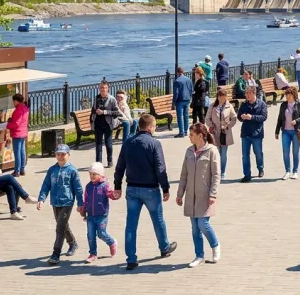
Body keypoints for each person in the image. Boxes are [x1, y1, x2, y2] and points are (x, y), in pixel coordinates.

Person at [113, 114, 177, 270]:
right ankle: (164, 247)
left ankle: (131, 258)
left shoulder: (128, 142)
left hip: (132, 189)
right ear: (149, 127)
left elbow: (120, 166)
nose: (154, 129)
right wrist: (166, 188)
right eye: (154, 127)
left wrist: (117, 186)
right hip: (150, 189)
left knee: (131, 224)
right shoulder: (154, 144)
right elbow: (160, 168)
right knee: (158, 219)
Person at [176, 123, 221, 268]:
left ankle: (215, 246)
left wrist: (213, 194)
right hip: (191, 195)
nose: (189, 137)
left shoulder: (212, 151)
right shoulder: (189, 151)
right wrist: (180, 193)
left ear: (200, 136)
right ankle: (199, 255)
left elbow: (216, 175)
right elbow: (184, 174)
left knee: (203, 224)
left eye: (192, 135)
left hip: (205, 195)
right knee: (195, 228)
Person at [38, 144, 85, 265]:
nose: (60, 157)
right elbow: (46, 185)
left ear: (68, 155)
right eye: (58, 154)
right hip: (55, 202)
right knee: (63, 226)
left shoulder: (72, 170)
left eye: (63, 154)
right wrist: (41, 199)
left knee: (59, 228)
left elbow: (78, 189)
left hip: (67, 202)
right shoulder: (52, 170)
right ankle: (73, 243)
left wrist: (80, 204)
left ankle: (56, 254)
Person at [80, 162, 117, 264]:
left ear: (100, 175)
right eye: (90, 174)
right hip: (90, 215)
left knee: (101, 233)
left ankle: (112, 242)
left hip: (102, 214)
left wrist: (114, 195)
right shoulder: (88, 186)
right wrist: (83, 209)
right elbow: (86, 199)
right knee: (90, 235)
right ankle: (93, 254)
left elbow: (110, 193)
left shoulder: (105, 185)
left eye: (94, 174)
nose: (92, 176)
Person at [275, 86, 300, 180]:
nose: (287, 96)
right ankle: (287, 171)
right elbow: (279, 118)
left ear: (293, 95)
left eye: (288, 94)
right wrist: (277, 131)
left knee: (295, 152)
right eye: (286, 95)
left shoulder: (299, 104)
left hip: (296, 132)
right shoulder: (283, 105)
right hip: (285, 131)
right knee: (285, 152)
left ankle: (295, 171)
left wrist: (297, 120)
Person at [238, 85, 268, 181]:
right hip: (245, 133)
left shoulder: (262, 104)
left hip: (257, 133)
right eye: (246, 93)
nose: (247, 95)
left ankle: (260, 168)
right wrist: (242, 117)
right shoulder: (244, 104)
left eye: (249, 93)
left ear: (254, 93)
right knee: (245, 155)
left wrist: (252, 117)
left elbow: (263, 117)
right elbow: (239, 117)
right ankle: (247, 175)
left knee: (258, 153)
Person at [206, 88, 237, 179]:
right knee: (216, 153)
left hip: (225, 133)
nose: (224, 98)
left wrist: (228, 126)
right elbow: (207, 118)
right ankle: (216, 171)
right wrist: (211, 125)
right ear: (218, 97)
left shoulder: (229, 106)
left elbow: (234, 118)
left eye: (225, 97)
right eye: (222, 96)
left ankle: (223, 171)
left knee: (223, 153)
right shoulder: (212, 106)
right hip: (215, 133)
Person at [91, 81, 120, 168]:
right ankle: (98, 163)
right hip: (98, 124)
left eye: (104, 88)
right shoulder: (96, 98)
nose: (103, 90)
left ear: (108, 89)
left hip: (108, 124)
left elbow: (116, 112)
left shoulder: (112, 99)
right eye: (101, 88)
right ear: (99, 89)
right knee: (98, 144)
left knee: (108, 144)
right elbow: (92, 110)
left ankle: (110, 161)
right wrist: (95, 113)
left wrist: (104, 112)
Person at [5, 93, 29, 177]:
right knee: (22, 151)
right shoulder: (25, 108)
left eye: (13, 101)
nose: (13, 103)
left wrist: (8, 124)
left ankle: (17, 171)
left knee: (17, 152)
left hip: (17, 133)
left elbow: (16, 123)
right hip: (23, 132)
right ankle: (22, 169)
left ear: (16, 101)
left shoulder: (18, 110)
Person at [173, 66, 193, 138]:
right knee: (186, 115)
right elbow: (191, 89)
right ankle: (185, 131)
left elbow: (176, 93)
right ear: (183, 72)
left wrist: (174, 102)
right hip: (187, 99)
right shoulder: (188, 80)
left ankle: (181, 132)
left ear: (178, 72)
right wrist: (190, 97)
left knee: (180, 116)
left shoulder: (177, 81)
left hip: (180, 100)